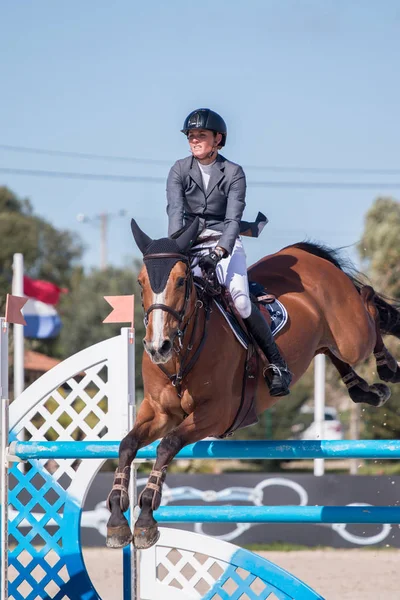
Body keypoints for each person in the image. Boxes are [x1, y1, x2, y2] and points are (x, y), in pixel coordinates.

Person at [166, 108, 291, 396]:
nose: (194, 140)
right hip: (190, 243)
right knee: (176, 298)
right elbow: (175, 213)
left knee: (242, 303)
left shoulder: (233, 172)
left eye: (201, 135)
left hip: (226, 241)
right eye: (191, 136)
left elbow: (233, 220)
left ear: (218, 139)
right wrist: (176, 250)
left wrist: (220, 251)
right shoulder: (179, 170)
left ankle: (276, 365)